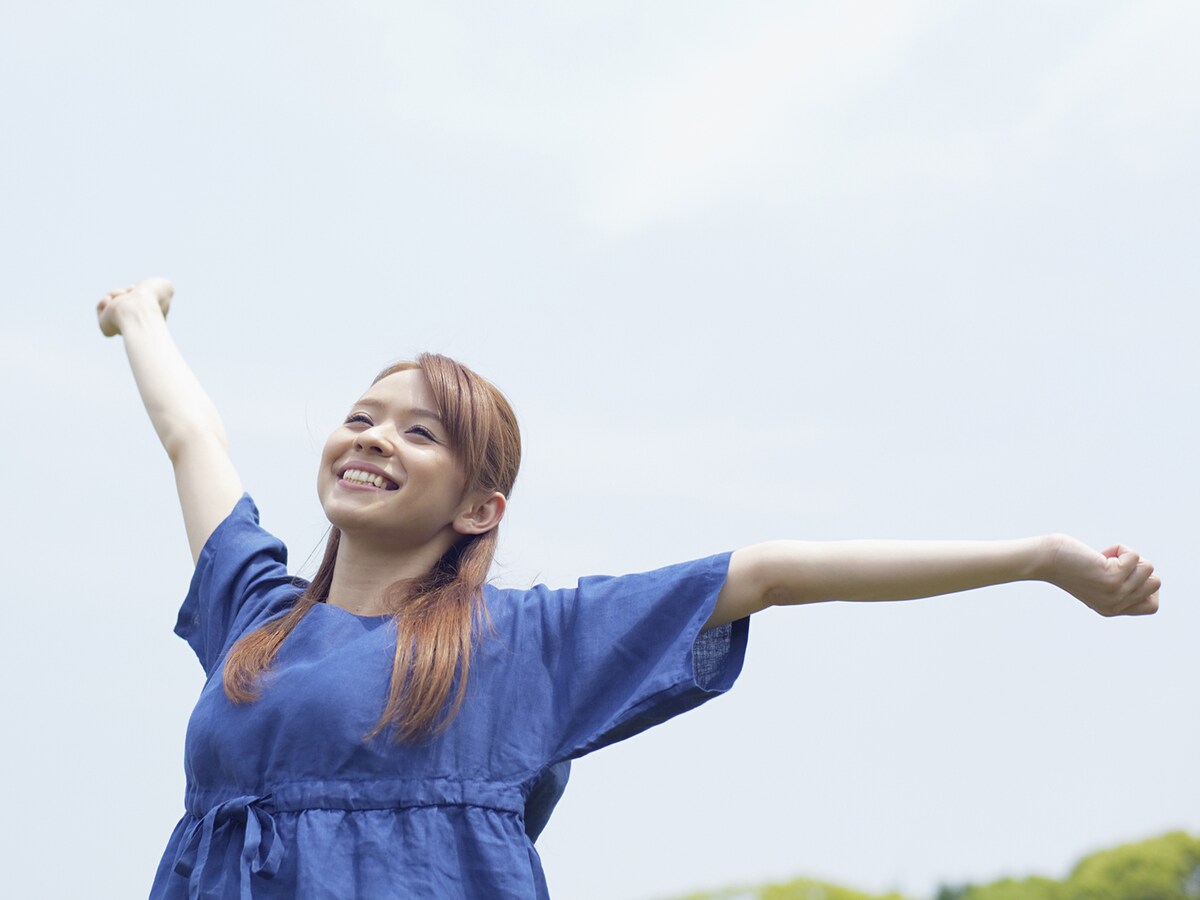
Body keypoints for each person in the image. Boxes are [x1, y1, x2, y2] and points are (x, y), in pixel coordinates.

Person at [98, 277, 1161, 900]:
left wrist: (1038, 558)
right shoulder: (257, 619)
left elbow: (774, 572)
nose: (374, 437)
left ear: (480, 509)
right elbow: (193, 438)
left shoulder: (523, 645)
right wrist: (142, 316)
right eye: (364, 416)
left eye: (421, 432)